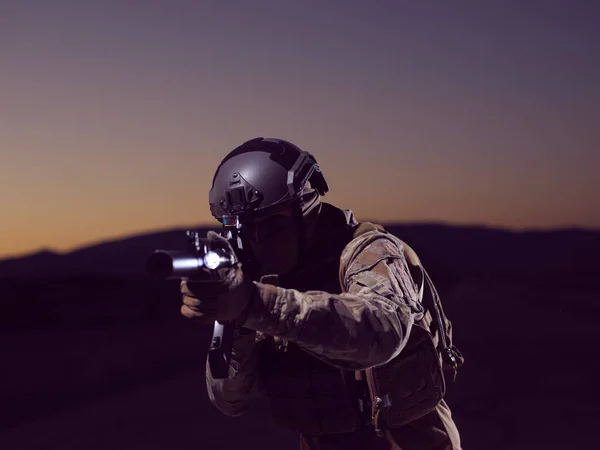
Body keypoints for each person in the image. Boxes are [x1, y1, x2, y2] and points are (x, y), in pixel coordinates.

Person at [180, 137, 463, 449]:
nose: (260, 238)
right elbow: (229, 399)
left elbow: (382, 332)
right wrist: (235, 318)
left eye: (274, 221)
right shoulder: (254, 278)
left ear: (307, 208)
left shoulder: (366, 251)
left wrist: (255, 304)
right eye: (246, 227)